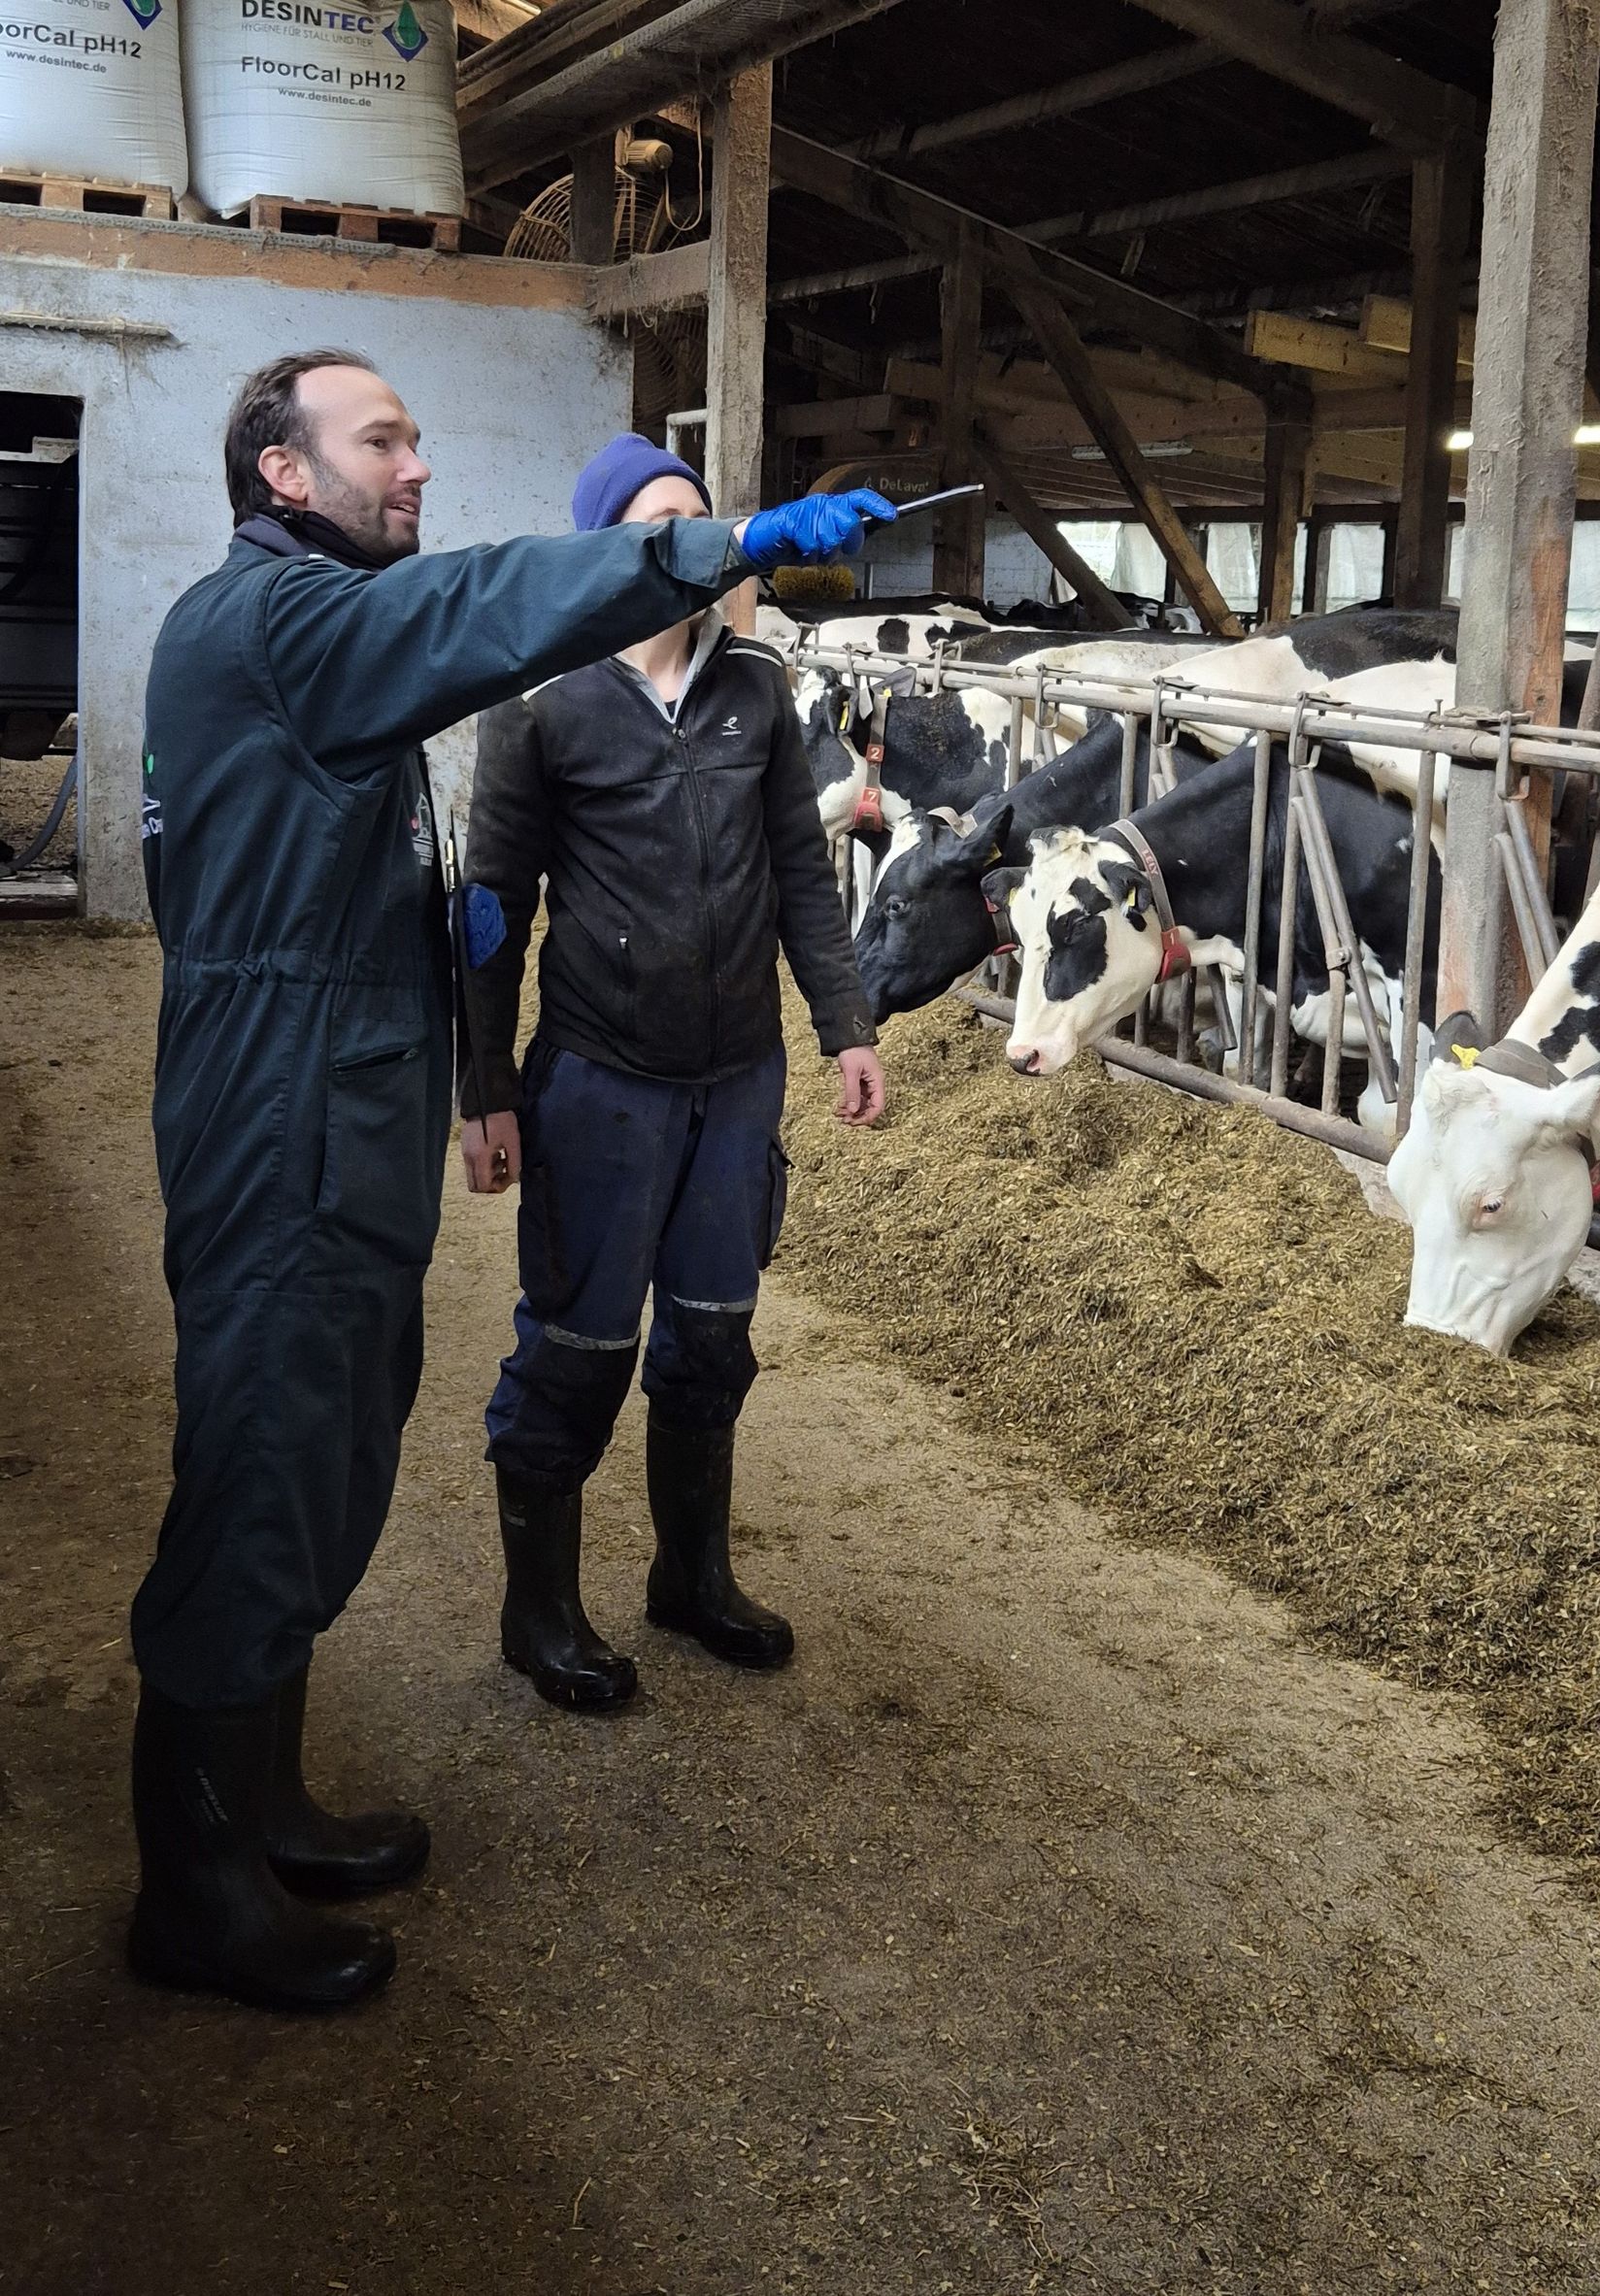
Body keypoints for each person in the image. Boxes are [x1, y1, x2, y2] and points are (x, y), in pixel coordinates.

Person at [134, 350, 893, 2013]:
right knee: (265, 1459)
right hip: (284, 1112)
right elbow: (490, 607)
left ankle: (260, 1805)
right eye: (384, 439)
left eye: (419, 432)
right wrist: (724, 535)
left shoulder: (302, 626)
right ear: (283, 472)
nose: (418, 465)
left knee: (324, 1441)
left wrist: (436, 933)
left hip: (334, 1092)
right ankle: (191, 1882)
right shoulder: (280, 622)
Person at [458, 435, 884, 1714]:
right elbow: (492, 903)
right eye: (659, 524)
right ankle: (540, 1613)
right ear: (606, 550)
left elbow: (802, 875)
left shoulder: (755, 683)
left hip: (737, 1077)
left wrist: (845, 1022)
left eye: (700, 524)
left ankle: (689, 1577)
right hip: (602, 1075)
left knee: (712, 1339)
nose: (691, 549)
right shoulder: (539, 695)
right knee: (580, 1346)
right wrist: (484, 1088)